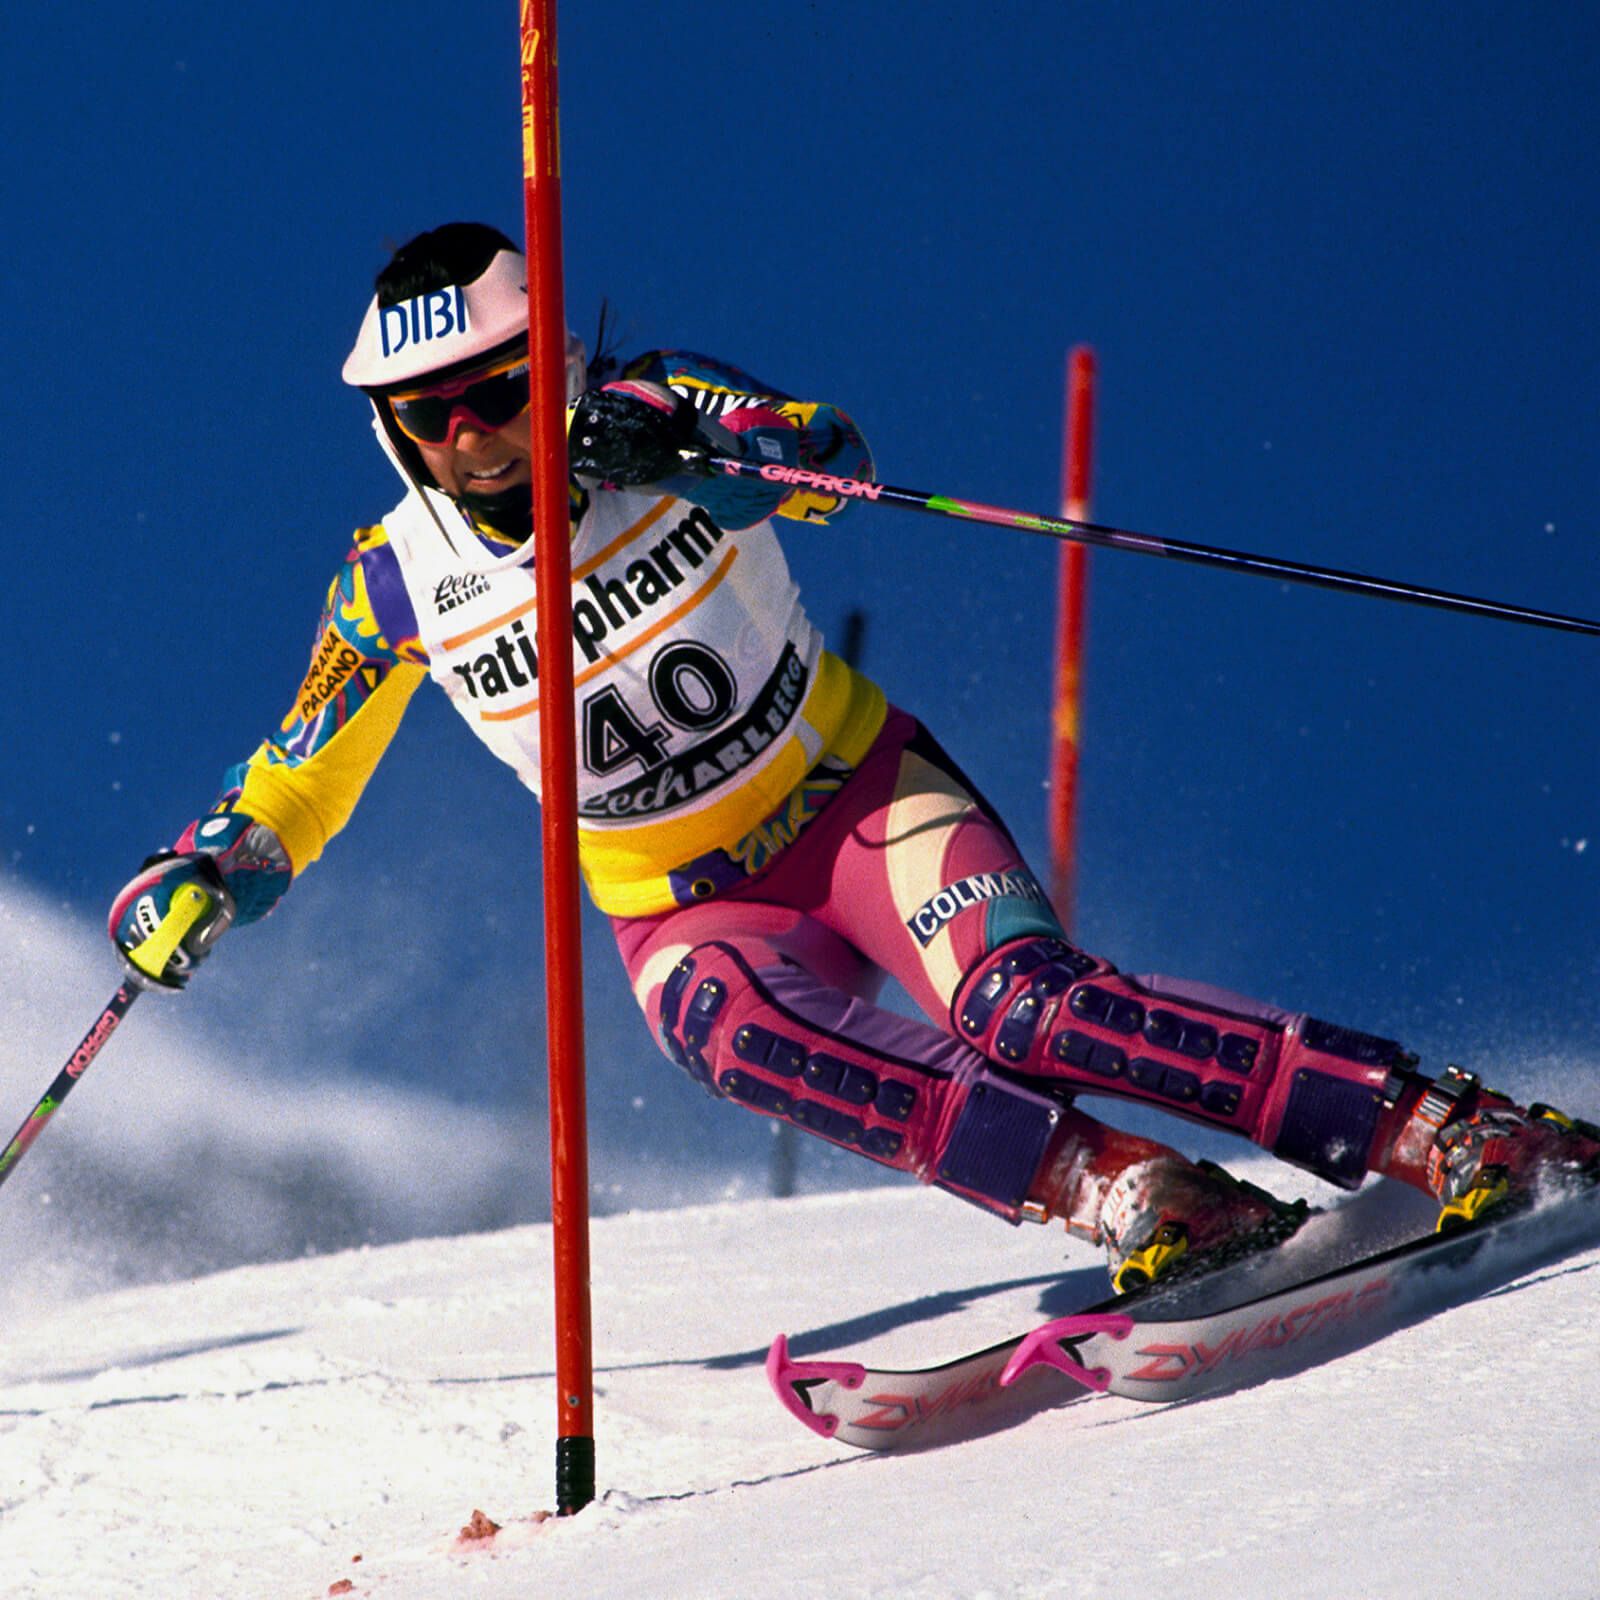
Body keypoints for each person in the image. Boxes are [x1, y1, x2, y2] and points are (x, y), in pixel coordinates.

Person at [109, 222, 1600, 1292]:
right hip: (680, 901)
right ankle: (1138, 1195)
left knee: (1028, 1007)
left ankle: (1436, 1123)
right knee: (735, 1040)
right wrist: (205, 875)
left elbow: (827, 460)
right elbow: (297, 772)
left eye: (498, 392)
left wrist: (707, 458)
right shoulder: (389, 583)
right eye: (431, 421)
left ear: (552, 358)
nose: (474, 440)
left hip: (858, 800)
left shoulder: (648, 411)